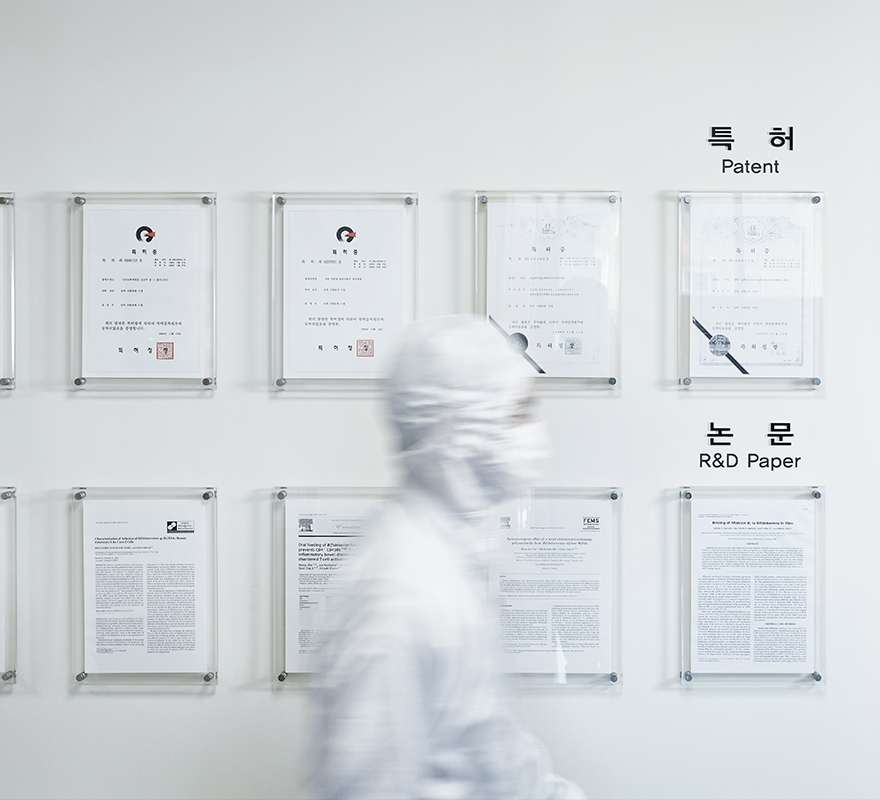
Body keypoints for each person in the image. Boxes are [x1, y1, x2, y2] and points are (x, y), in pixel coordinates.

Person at [307, 315, 585, 800]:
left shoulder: (448, 553)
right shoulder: (397, 592)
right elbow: (368, 786)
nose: (532, 430)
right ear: (453, 428)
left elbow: (490, 749)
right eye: (518, 411)